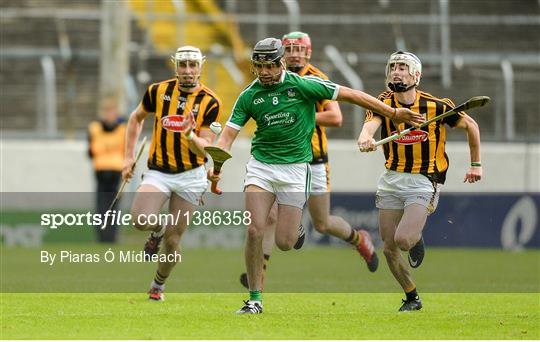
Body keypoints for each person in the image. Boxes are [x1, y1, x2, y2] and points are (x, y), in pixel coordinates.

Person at [208, 38, 424, 314]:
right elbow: (227, 136)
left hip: (296, 169)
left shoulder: (303, 85)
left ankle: (295, 226)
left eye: (269, 66)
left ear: (281, 63)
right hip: (261, 167)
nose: (263, 72)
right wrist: (217, 162)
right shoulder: (250, 95)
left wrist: (393, 112)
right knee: (254, 230)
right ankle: (254, 300)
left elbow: (351, 95)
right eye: (259, 67)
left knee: (285, 242)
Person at [238, 32, 379, 290]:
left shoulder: (315, 78)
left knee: (322, 223)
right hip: (273, 160)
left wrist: (292, 115)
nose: (294, 53)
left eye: (299, 49)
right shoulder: (267, 80)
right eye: (289, 48)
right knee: (266, 219)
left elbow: (335, 118)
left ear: (308, 52)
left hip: (313, 160)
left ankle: (359, 239)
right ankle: (258, 279)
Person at [358, 51, 482, 311]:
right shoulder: (384, 101)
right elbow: (372, 122)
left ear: (416, 74)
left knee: (403, 240)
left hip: (424, 180)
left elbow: (471, 125)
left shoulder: (437, 106)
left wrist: (475, 165)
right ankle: (412, 296)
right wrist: (365, 137)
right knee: (389, 248)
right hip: (391, 178)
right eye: (393, 67)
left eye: (402, 67)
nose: (396, 72)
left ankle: (415, 238)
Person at [123, 46, 222, 301]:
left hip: (191, 175)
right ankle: (157, 230)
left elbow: (207, 146)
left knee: (173, 241)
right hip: (159, 171)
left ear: (201, 65)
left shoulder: (210, 102)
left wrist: (189, 135)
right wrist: (127, 157)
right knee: (140, 220)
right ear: (175, 65)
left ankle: (158, 285)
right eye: (183, 65)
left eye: (192, 65)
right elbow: (136, 118)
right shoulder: (157, 91)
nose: (187, 71)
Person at [87, 95, 126, 243]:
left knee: (114, 206)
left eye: (112, 111)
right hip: (101, 172)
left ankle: (112, 237)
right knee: (101, 206)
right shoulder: (94, 128)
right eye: (107, 111)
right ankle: (102, 237)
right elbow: (90, 151)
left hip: (117, 172)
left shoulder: (123, 129)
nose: (110, 115)